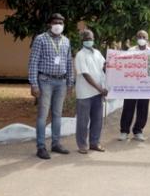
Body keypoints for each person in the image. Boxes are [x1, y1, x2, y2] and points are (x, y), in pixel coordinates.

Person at [28, 13, 74, 159]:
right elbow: (33, 62)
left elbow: (69, 62)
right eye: (55, 22)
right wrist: (34, 84)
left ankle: (56, 143)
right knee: (42, 115)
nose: (58, 25)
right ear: (49, 24)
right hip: (45, 81)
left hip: (61, 82)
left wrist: (70, 82)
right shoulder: (40, 39)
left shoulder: (66, 41)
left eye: (61, 22)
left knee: (57, 114)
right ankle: (41, 147)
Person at [75, 29, 108, 154]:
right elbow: (85, 74)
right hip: (84, 93)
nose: (89, 41)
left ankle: (94, 143)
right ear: (82, 40)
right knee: (83, 121)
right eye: (87, 39)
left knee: (97, 120)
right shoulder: (80, 55)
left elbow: (104, 66)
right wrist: (100, 89)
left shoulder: (98, 53)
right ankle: (82, 145)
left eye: (91, 38)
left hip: (97, 93)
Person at [119, 30, 150, 142]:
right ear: (136, 38)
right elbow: (125, 66)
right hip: (131, 85)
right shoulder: (131, 50)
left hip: (145, 86)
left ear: (147, 39)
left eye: (144, 36)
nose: (141, 38)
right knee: (128, 107)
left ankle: (138, 131)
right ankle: (124, 131)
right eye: (139, 36)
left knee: (143, 109)